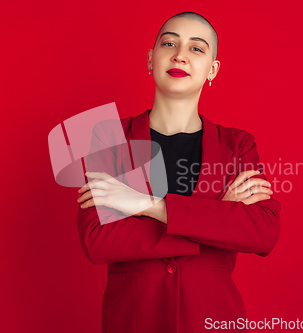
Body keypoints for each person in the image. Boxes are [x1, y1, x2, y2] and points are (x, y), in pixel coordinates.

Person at [76, 11, 281, 333]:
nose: (180, 55)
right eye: (169, 43)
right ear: (150, 59)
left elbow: (263, 231)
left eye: (196, 48)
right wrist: (216, 217)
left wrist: (147, 205)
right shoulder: (110, 138)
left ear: (212, 70)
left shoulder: (238, 144)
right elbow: (98, 239)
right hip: (132, 321)